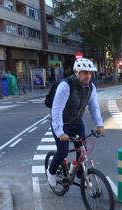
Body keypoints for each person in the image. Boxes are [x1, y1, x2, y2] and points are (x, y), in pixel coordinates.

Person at [46, 58, 105, 187]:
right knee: (63, 152)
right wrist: (60, 132)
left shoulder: (91, 87)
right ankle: (51, 171)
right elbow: (57, 110)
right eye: (84, 72)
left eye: (90, 73)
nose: (88, 76)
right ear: (77, 73)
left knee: (82, 151)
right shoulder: (65, 86)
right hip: (62, 124)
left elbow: (94, 107)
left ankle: (80, 174)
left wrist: (99, 124)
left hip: (77, 123)